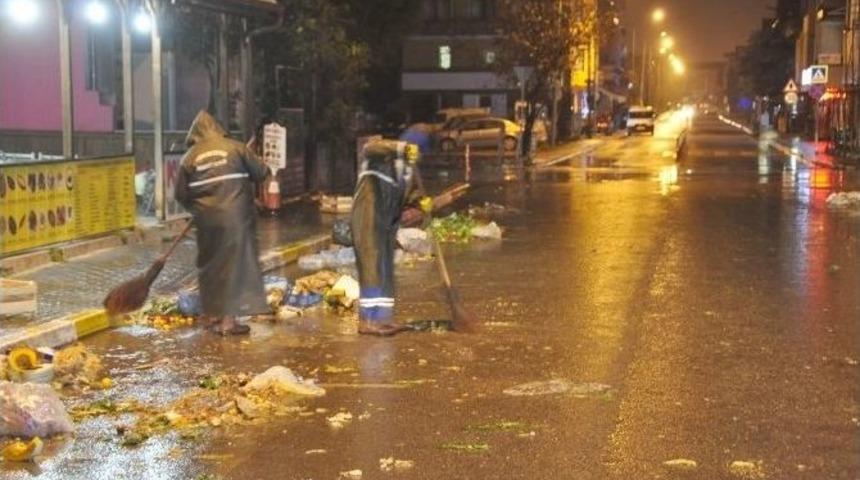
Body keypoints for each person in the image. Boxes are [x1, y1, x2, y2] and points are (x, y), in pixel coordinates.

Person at [175, 110, 270, 336]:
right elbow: (261, 173)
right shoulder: (236, 148)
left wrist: (199, 210)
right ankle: (228, 323)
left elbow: (181, 195)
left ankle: (213, 316)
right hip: (236, 219)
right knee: (234, 267)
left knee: (211, 267)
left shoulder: (189, 157)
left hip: (206, 222)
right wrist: (256, 161)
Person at [351, 139, 430, 336]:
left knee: (385, 270)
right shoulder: (379, 160)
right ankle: (367, 322)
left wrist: (422, 205)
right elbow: (370, 147)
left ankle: (383, 320)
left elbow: (413, 199)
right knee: (372, 267)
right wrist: (401, 148)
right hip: (368, 217)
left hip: (388, 222)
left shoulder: (408, 174)